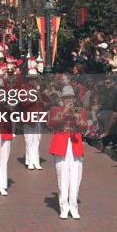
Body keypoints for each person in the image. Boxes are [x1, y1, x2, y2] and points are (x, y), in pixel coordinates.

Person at [48, 85, 88, 220]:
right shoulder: (55, 109)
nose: (68, 100)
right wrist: (64, 112)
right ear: (62, 98)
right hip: (61, 145)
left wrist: (77, 117)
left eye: (70, 97)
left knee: (76, 178)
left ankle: (74, 207)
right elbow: (52, 123)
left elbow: (84, 127)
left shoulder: (80, 110)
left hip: (75, 145)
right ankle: (64, 207)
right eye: (66, 98)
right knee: (62, 177)